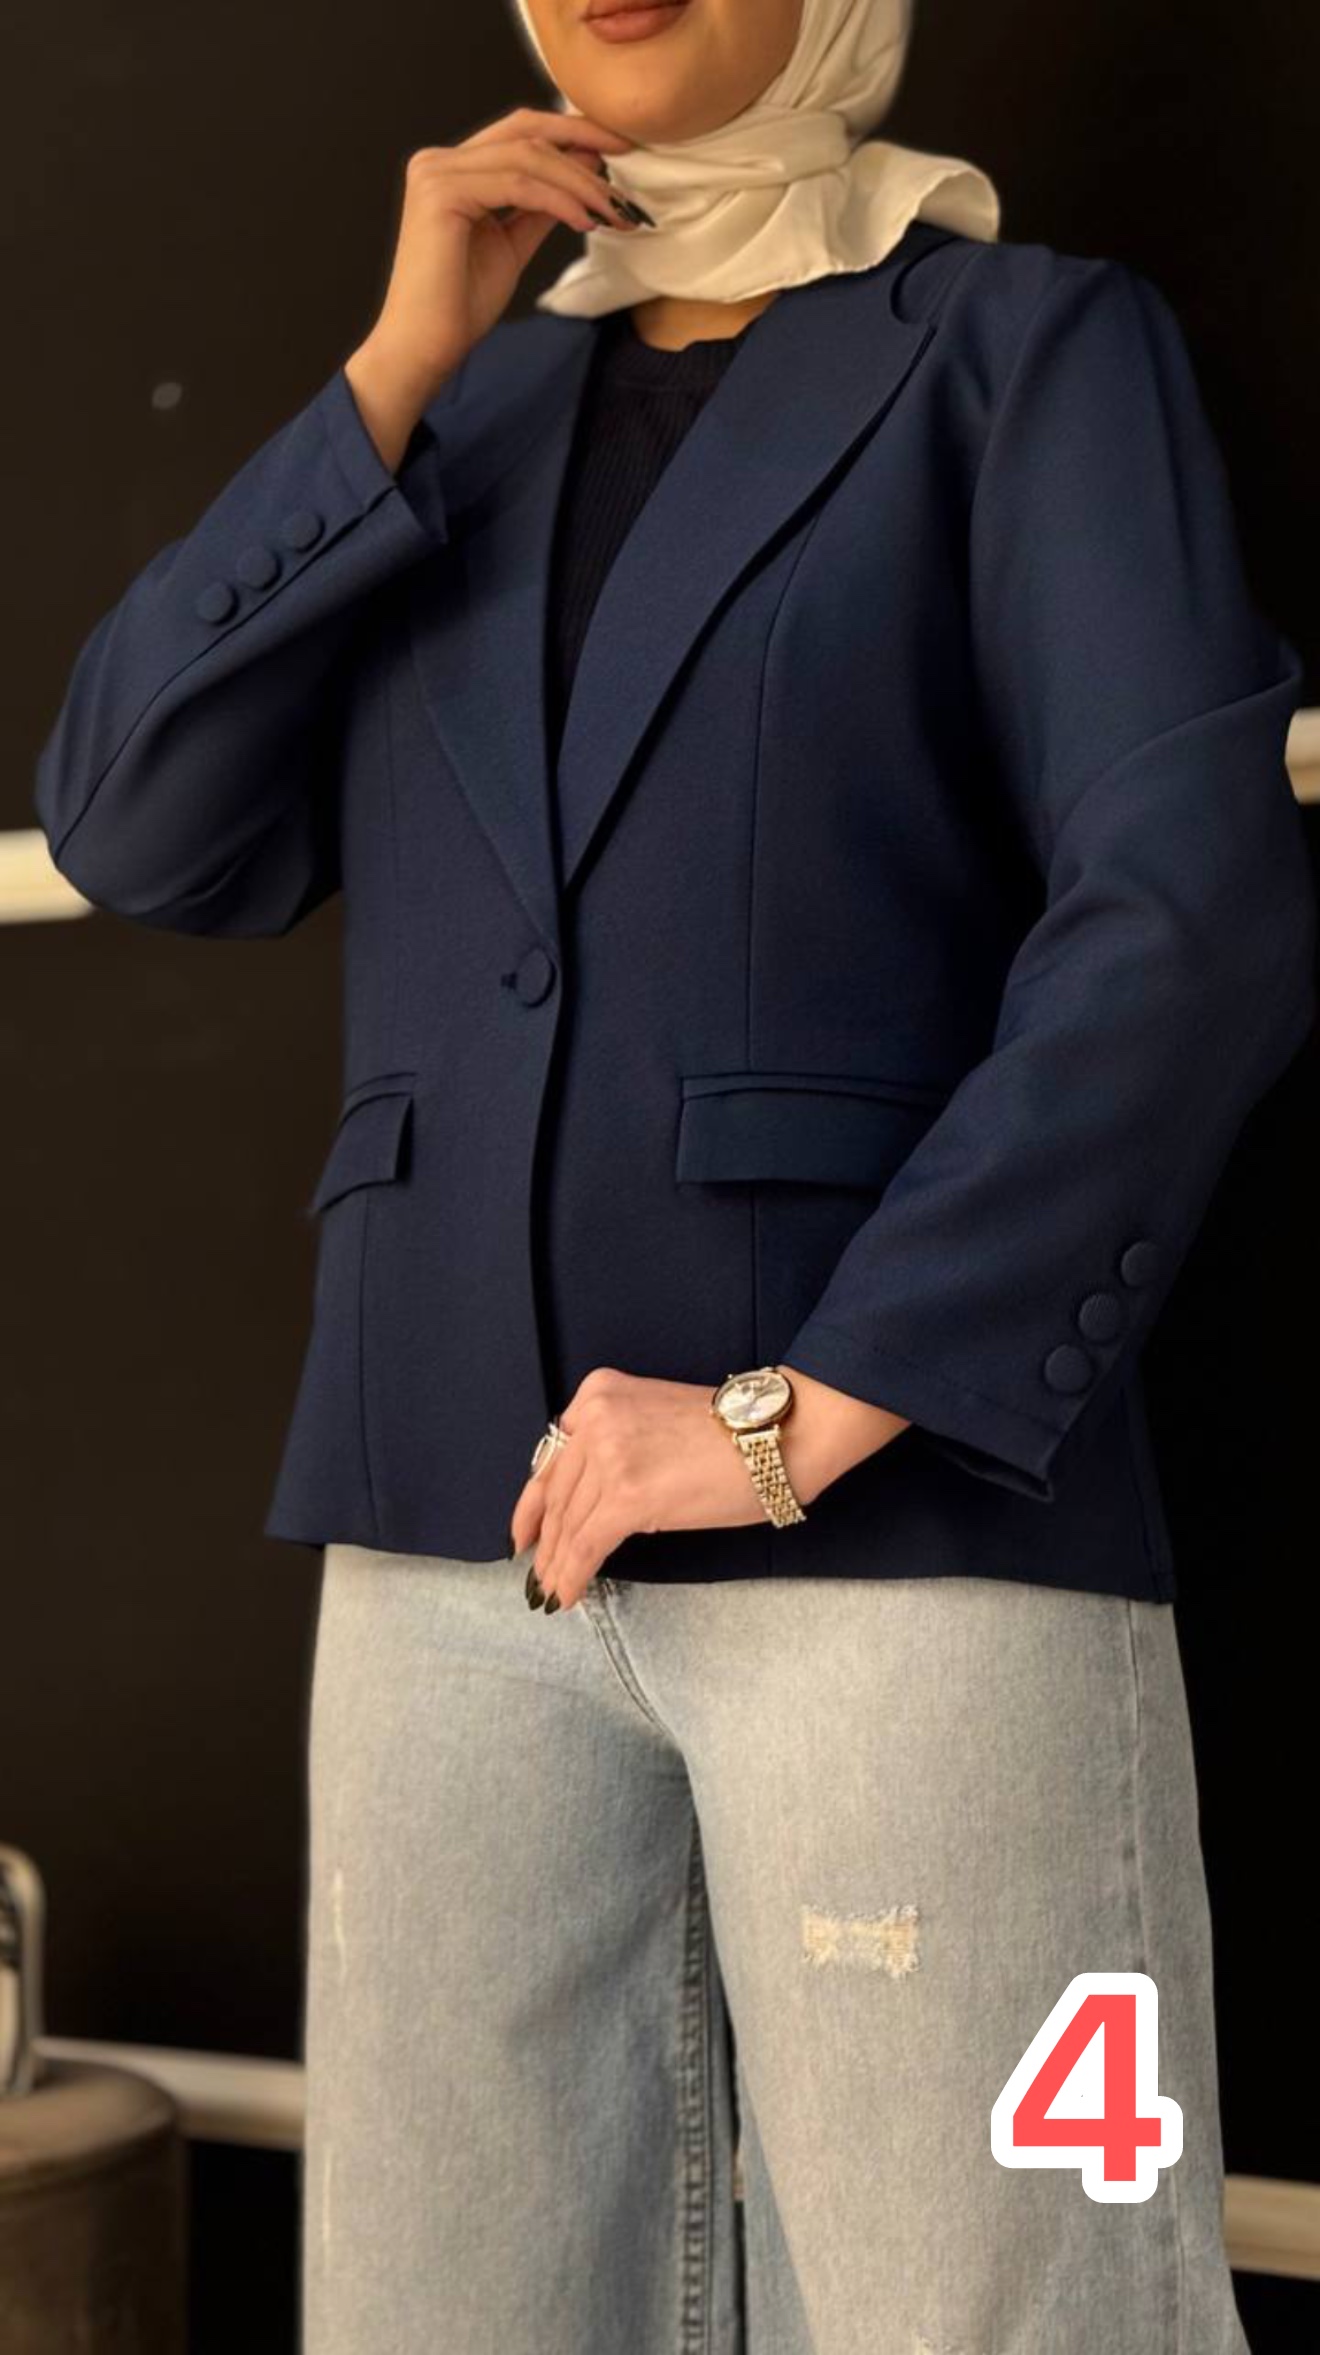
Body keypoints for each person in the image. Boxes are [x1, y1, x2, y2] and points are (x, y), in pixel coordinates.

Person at [32, 0, 1315, 2347]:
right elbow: (132, 822)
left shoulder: (1026, 354)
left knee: (1007, 2305)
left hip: (912, 1538)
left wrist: (809, 1403)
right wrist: (393, 368)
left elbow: (1190, 916)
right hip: (445, 1535)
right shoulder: (463, 411)